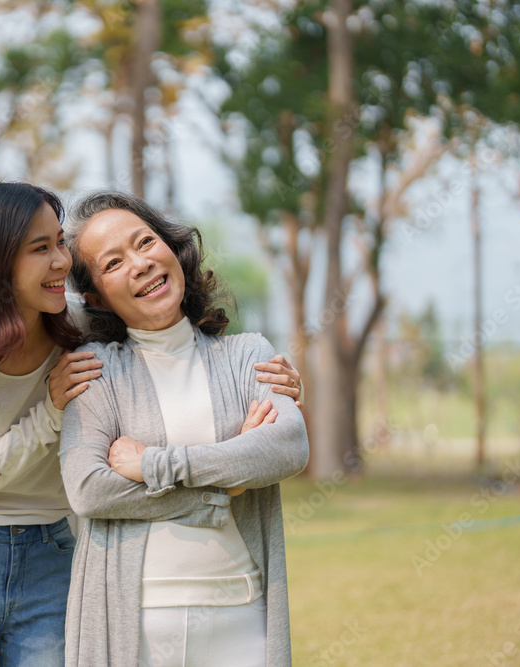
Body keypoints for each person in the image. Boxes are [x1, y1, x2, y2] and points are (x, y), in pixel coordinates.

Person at [0, 181, 304, 666]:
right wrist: (49, 416)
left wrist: (273, 383)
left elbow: (161, 324)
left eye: (61, 244)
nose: (62, 262)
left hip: (54, 549)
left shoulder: (78, 326)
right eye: (40, 248)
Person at [58, 190, 310, 667]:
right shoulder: (93, 371)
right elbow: (90, 490)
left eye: (146, 242)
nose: (140, 264)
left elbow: (288, 447)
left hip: (242, 614)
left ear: (173, 250)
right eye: (113, 264)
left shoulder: (247, 353)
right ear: (96, 298)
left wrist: (152, 463)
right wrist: (228, 482)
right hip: (133, 626)